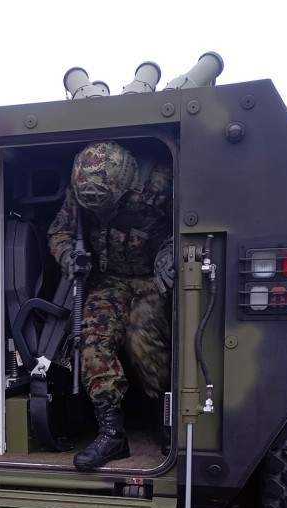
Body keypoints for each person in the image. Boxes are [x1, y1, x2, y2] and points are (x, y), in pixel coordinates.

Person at [47, 140, 174, 471]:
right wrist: (67, 256)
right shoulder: (82, 187)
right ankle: (112, 434)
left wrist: (174, 249)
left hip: (152, 276)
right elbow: (59, 231)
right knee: (90, 340)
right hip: (111, 277)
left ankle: (168, 417)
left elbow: (195, 220)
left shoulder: (160, 179)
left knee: (143, 343)